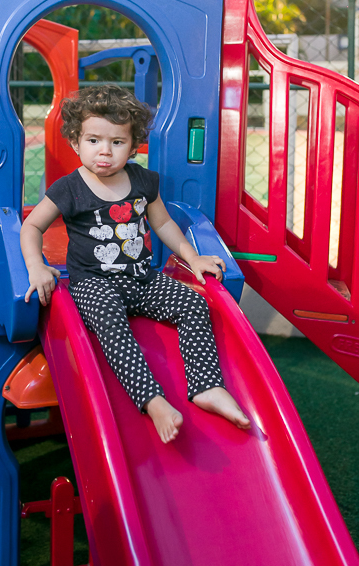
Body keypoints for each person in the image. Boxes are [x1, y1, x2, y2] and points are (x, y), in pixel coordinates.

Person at [21, 85, 250, 444]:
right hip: (93, 285)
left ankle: (206, 386)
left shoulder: (142, 180)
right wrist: (36, 266)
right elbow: (32, 225)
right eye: (94, 140)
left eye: (117, 142)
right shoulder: (69, 188)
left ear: (132, 146)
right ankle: (152, 400)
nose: (104, 152)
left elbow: (162, 224)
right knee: (111, 322)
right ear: (75, 142)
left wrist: (192, 258)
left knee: (193, 304)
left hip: (142, 279)